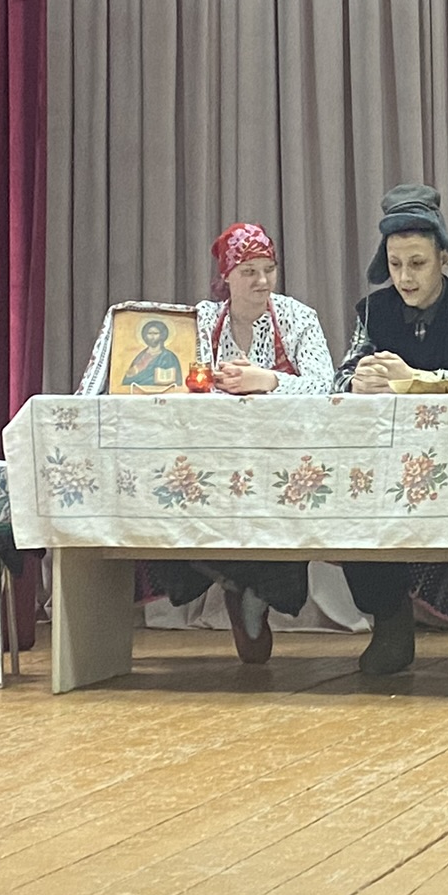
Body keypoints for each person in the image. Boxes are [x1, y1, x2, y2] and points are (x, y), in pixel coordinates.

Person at [142, 222, 337, 663]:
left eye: (269, 269)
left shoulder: (298, 318)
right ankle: (236, 584)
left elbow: (325, 384)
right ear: (226, 277)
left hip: (281, 458)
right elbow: (174, 380)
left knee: (278, 508)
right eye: (249, 271)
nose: (262, 281)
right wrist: (211, 382)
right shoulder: (203, 321)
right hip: (211, 456)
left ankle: (255, 592)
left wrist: (267, 380)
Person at [335, 184, 448, 675]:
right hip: (386, 456)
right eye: (395, 265)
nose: (405, 278)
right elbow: (341, 376)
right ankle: (389, 620)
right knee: (351, 496)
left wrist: (412, 380)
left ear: (443, 260)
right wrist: (358, 380)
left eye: (417, 264)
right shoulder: (372, 310)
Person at [120, 319, 183, 391]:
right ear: (145, 336)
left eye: (155, 333)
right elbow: (128, 379)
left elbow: (177, 381)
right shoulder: (140, 356)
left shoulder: (169, 356)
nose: (152, 336)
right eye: (149, 333)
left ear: (162, 335)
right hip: (138, 392)